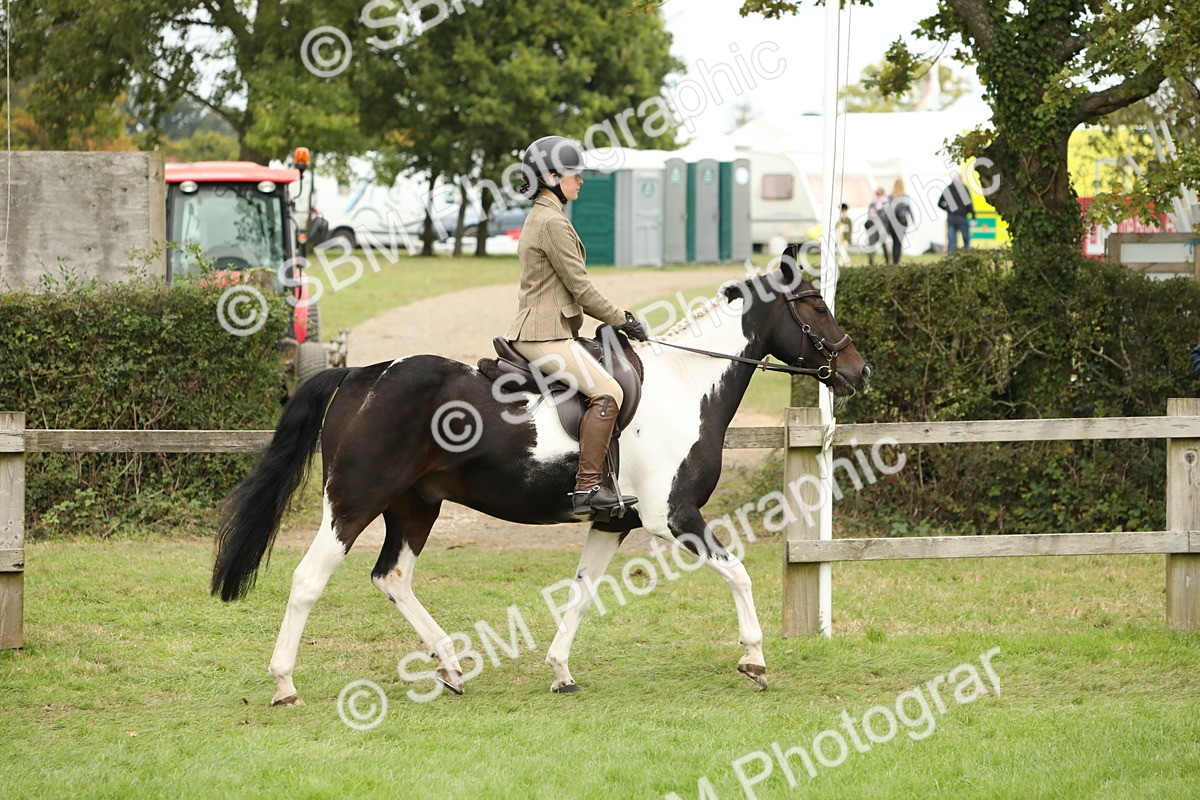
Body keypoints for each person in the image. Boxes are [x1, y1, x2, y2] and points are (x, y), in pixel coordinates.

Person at [507, 135, 649, 518]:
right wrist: (625, 320)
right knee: (608, 391)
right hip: (543, 334)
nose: (580, 180)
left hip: (550, 329)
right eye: (574, 174)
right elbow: (582, 289)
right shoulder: (551, 222)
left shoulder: (546, 215)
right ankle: (587, 487)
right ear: (552, 176)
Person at [938, 172, 976, 254]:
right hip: (962, 217)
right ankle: (967, 257)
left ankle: (950, 259)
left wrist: (947, 209)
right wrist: (973, 216)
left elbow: (939, 203)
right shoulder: (964, 189)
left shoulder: (948, 189)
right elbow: (969, 204)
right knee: (966, 240)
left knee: (951, 241)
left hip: (951, 217)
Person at [882, 179, 913, 265]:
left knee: (894, 242)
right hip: (902, 222)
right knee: (899, 243)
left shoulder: (890, 197)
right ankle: (896, 262)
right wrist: (913, 221)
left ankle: (894, 262)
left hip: (892, 222)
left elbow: (886, 211)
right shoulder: (905, 197)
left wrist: (885, 223)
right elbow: (909, 210)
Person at [836, 202, 852, 267]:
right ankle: (843, 263)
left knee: (843, 251)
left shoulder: (848, 220)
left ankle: (845, 263)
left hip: (845, 238)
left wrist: (848, 238)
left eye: (843, 210)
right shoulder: (840, 219)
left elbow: (850, 230)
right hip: (840, 237)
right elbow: (836, 226)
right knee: (841, 251)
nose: (842, 212)